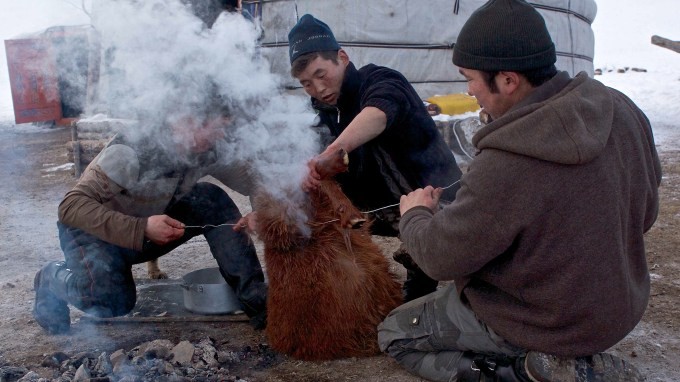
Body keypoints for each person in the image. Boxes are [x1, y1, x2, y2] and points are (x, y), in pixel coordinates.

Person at [376, 0, 662, 381]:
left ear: (508, 80)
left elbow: (441, 259)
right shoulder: (620, 108)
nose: (469, 89)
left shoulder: (506, 160)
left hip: (547, 322)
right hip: (617, 310)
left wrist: (416, 215)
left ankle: (521, 372)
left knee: (395, 333)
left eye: (470, 77)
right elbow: (647, 211)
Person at [33, 93, 268, 335]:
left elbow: (256, 182)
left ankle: (256, 298)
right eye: (217, 129)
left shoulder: (206, 150)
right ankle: (52, 278)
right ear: (186, 121)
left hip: (148, 228)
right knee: (112, 301)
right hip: (93, 236)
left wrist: (261, 210)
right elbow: (70, 206)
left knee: (211, 199)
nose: (222, 137)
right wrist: (141, 227)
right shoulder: (130, 151)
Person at [287, 14, 463, 302]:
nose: (318, 89)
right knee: (316, 211)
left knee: (458, 258)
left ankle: (423, 266)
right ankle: (356, 282)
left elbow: (378, 114)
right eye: (307, 83)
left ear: (342, 57)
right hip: (378, 207)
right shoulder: (323, 112)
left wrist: (334, 152)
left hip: (434, 197)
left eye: (321, 75)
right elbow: (309, 156)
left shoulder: (381, 80)